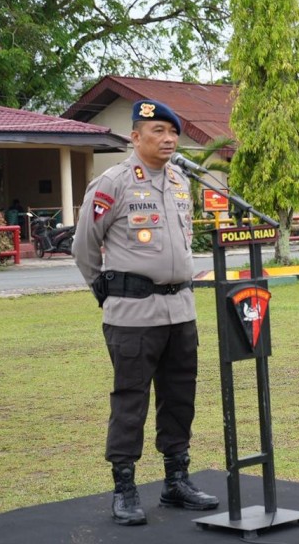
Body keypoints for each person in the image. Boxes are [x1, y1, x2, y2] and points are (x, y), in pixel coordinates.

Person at [73, 100, 218, 526]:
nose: (169, 139)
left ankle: (176, 480)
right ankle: (125, 487)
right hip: (132, 314)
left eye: (172, 132)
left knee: (179, 398)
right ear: (136, 137)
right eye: (157, 131)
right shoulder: (112, 183)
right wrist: (107, 292)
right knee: (130, 401)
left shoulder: (178, 181)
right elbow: (84, 246)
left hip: (180, 311)